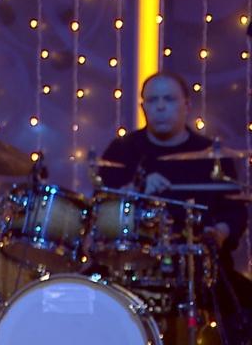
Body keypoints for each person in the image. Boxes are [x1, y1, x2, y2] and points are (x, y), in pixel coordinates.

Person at [98, 71, 251, 343]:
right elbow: (102, 208)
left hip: (200, 269)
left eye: (168, 99)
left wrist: (219, 232)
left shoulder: (212, 156)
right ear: (143, 106)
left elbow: (235, 212)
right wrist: (135, 189)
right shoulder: (122, 151)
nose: (160, 106)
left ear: (186, 105)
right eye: (152, 100)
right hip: (133, 267)